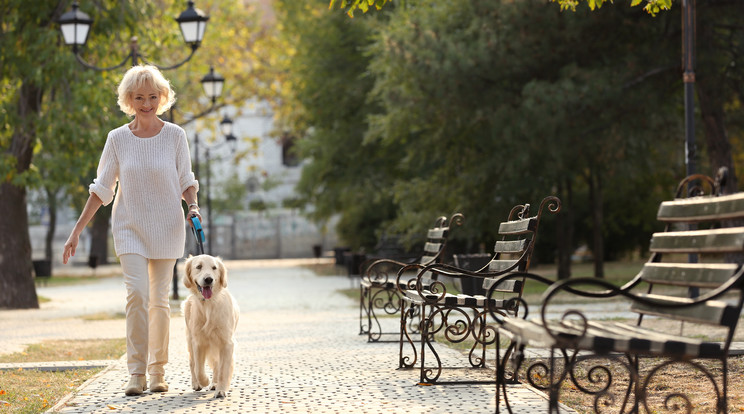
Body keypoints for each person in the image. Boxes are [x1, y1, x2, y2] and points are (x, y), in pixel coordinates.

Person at [63, 65, 201, 396]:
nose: (147, 103)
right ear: (128, 100)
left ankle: (157, 370)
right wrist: (77, 231)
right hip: (129, 228)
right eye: (139, 97)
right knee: (137, 294)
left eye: (153, 97)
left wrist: (193, 206)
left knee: (159, 301)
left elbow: (186, 180)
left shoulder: (175, 136)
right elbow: (101, 189)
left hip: (167, 226)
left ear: (162, 98)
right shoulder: (117, 139)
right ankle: (136, 372)